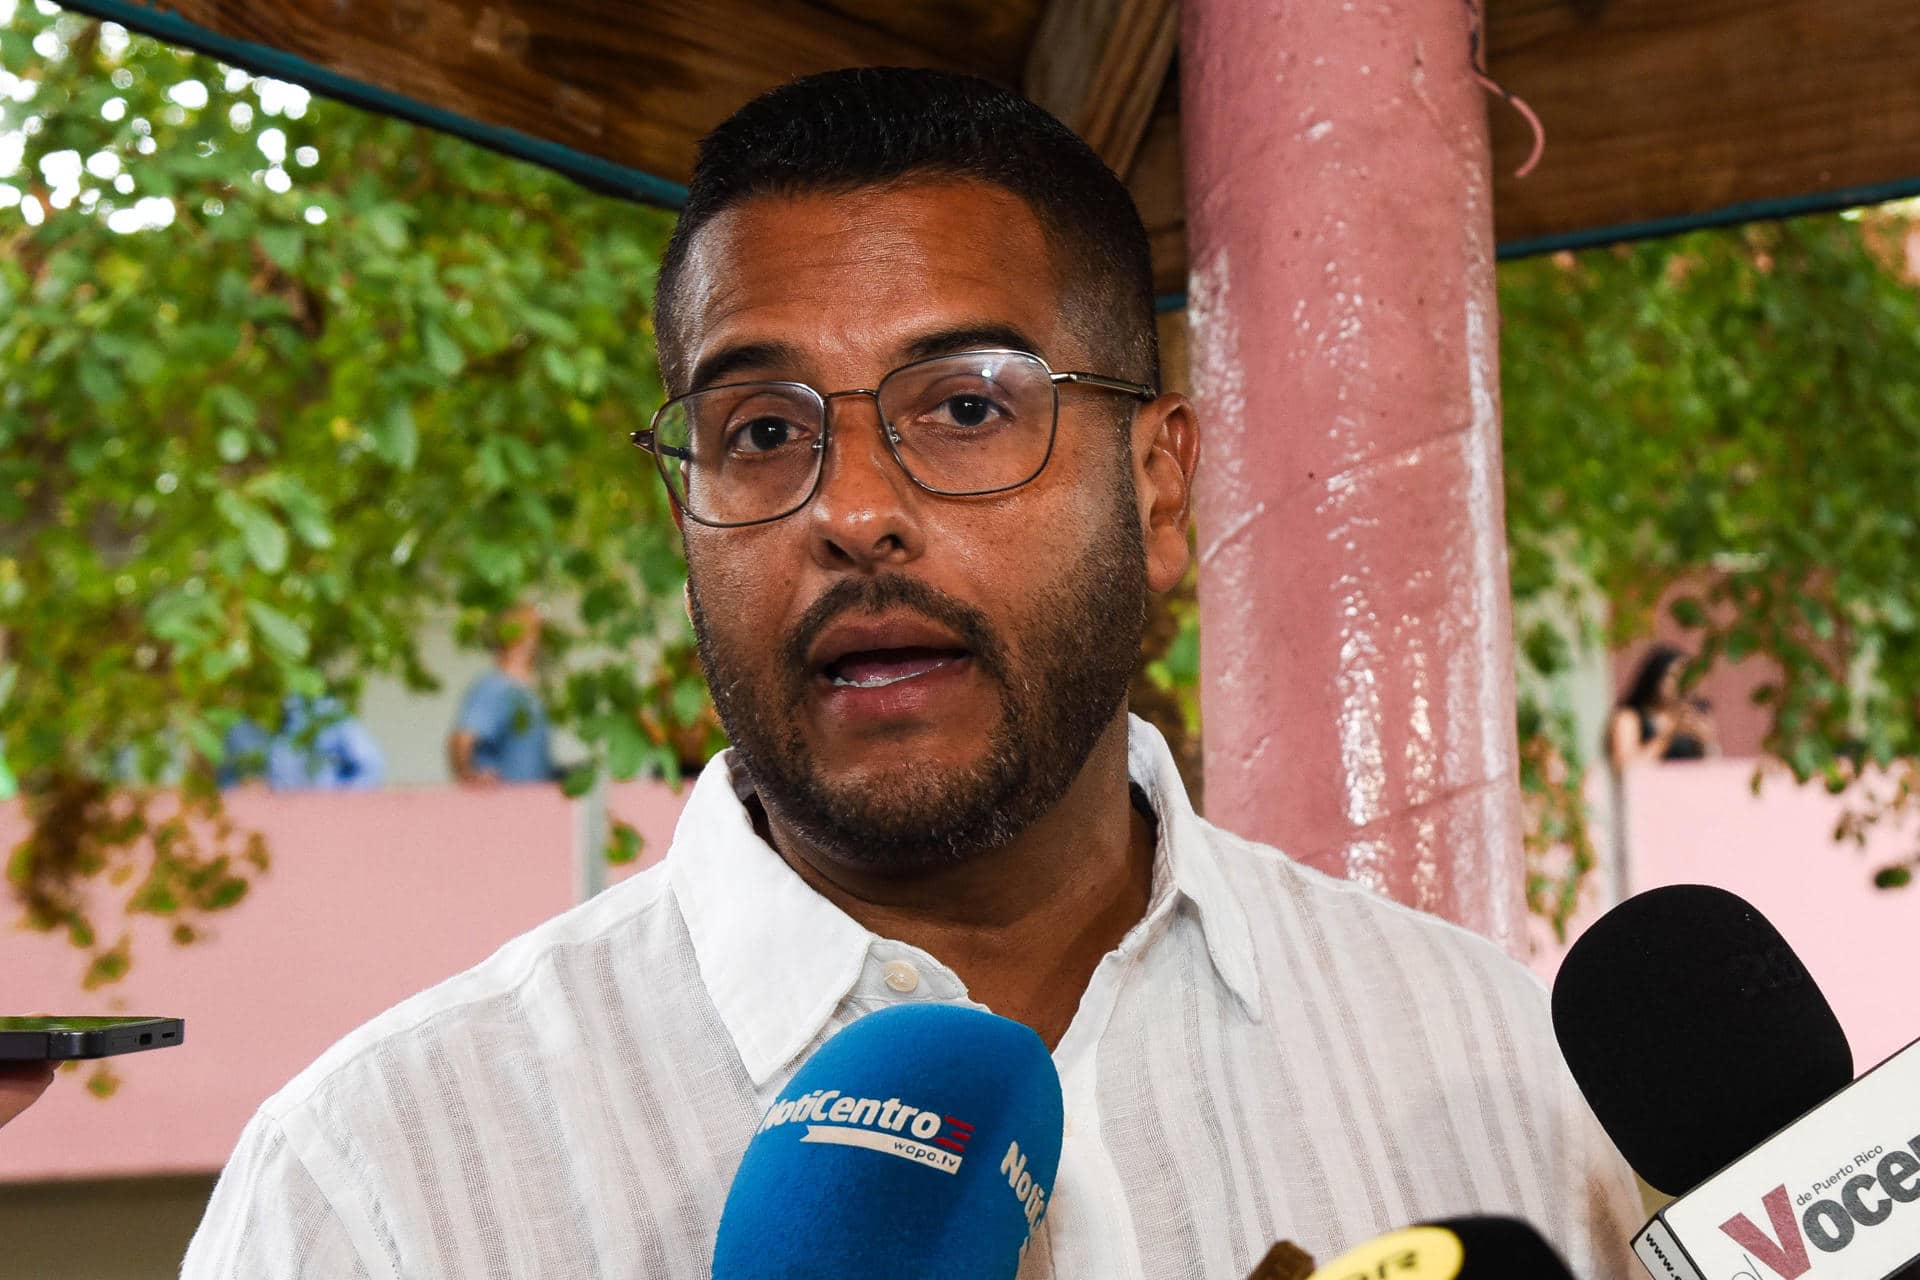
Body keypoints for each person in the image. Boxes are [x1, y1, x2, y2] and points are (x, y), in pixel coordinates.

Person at [183, 70, 1641, 1277]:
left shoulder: (1493, 1063)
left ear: (1160, 489)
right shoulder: (374, 1183)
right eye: (760, 432)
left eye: (964, 406)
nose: (851, 508)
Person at [446, 604, 554, 785]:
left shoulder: (529, 691)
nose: (537, 641)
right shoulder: (495, 687)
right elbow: (461, 740)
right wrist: (469, 778)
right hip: (504, 803)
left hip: (531, 801)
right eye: (533, 631)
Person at [217, 695, 386, 792]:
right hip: (269, 828)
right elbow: (226, 786)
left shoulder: (325, 712)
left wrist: (334, 800)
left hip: (323, 823)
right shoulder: (237, 727)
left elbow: (371, 768)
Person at [1608, 644, 1717, 770]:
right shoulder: (1629, 717)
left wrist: (1705, 741)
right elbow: (1626, 766)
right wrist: (1668, 737)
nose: (1680, 684)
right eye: (1673, 676)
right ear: (1655, 676)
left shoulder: (1695, 716)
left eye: (1685, 678)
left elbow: (1712, 767)